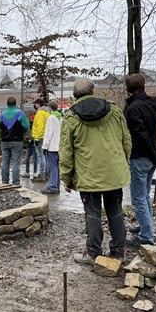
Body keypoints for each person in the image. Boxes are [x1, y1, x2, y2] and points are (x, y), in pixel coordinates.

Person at [59, 79, 131, 264]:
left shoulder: (71, 117)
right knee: (115, 211)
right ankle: (118, 252)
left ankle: (93, 253)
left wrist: (66, 178)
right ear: (93, 91)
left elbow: (66, 151)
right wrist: (122, 163)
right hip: (114, 173)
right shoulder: (114, 111)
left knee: (92, 214)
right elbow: (126, 140)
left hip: (88, 175)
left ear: (74, 95)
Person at [124, 73, 156, 247]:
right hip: (152, 157)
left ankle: (146, 237)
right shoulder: (153, 102)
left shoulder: (133, 109)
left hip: (140, 156)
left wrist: (153, 154)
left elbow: (141, 135)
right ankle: (146, 226)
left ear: (128, 89)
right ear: (143, 86)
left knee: (138, 198)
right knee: (144, 196)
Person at [0, 97, 30, 185]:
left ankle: (4, 182)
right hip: (16, 141)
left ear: (7, 104)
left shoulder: (2, 115)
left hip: (4, 141)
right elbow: (26, 126)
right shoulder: (19, 113)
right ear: (15, 104)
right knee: (15, 163)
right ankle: (16, 182)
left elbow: (0, 127)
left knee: (5, 162)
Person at [42, 100, 62, 194]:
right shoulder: (60, 117)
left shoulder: (51, 118)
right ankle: (56, 185)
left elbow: (48, 133)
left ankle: (52, 186)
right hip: (59, 146)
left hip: (52, 146)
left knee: (52, 167)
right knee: (57, 167)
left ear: (50, 108)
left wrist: (45, 146)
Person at [30, 98, 49, 182]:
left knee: (41, 156)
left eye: (35, 104)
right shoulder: (46, 112)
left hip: (40, 137)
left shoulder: (40, 113)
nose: (34, 105)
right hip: (44, 136)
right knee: (44, 156)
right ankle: (45, 173)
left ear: (38, 104)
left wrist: (37, 138)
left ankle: (42, 174)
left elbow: (40, 126)